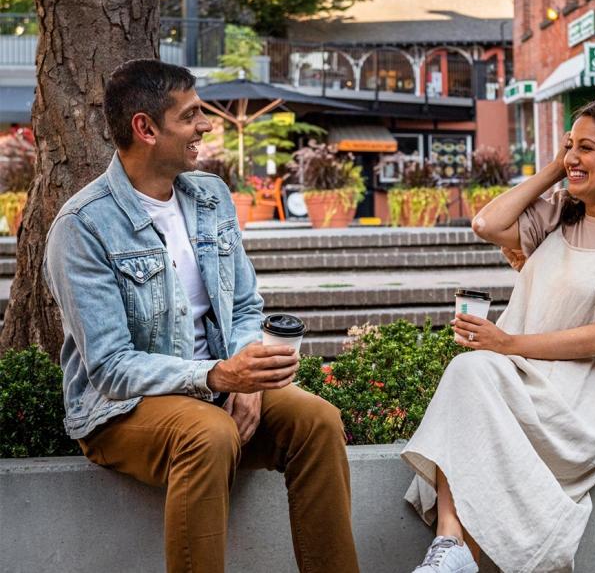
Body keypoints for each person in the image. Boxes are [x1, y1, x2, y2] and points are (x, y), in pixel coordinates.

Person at [43, 59, 360, 573]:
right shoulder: (83, 226)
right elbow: (110, 367)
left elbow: (244, 306)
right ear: (145, 128)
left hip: (219, 386)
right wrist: (213, 375)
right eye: (191, 116)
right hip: (119, 410)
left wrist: (247, 380)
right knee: (206, 432)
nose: (206, 126)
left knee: (317, 421)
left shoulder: (209, 196)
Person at [402, 100, 595, 573]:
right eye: (569, 145)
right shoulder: (558, 217)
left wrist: (506, 344)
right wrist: (560, 167)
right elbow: (486, 224)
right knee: (471, 373)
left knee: (472, 372)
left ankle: (451, 549)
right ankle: (451, 550)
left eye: (587, 148)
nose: (572, 155)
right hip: (522, 380)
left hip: (582, 403)